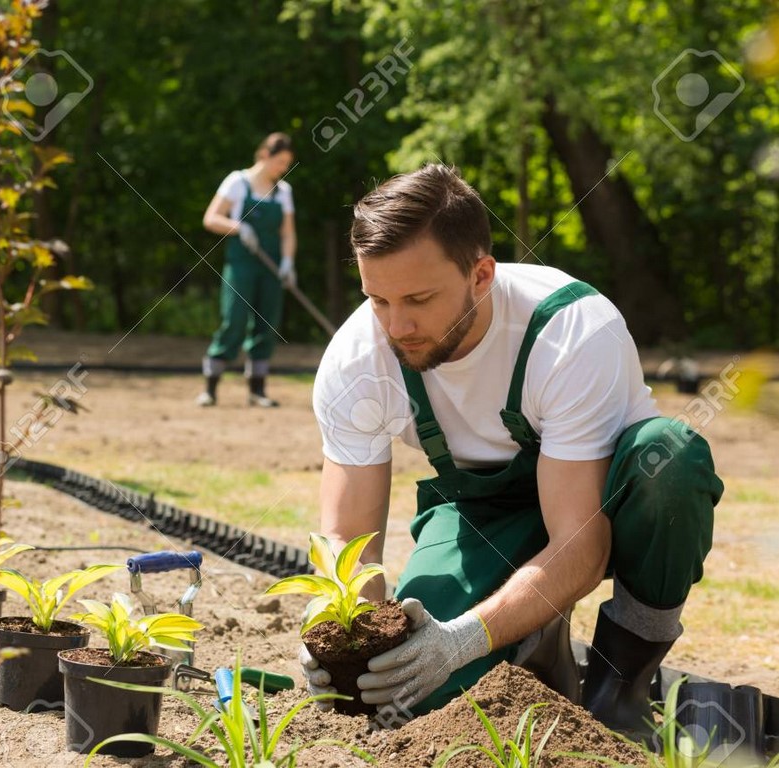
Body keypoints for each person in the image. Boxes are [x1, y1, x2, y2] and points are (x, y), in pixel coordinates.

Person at [304, 164, 722, 739]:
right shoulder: (357, 361)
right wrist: (338, 628)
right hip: (482, 515)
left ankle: (620, 686)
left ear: (481, 275)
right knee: (420, 692)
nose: (396, 326)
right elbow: (350, 543)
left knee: (669, 458)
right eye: (377, 299)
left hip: (605, 499)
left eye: (418, 299)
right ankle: (539, 651)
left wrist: (464, 639)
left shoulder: (571, 332)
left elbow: (580, 546)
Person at [198, 133, 298, 407]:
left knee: (267, 324)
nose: (283, 168)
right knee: (234, 320)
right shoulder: (237, 182)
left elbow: (288, 233)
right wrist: (239, 227)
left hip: (272, 268)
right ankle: (210, 388)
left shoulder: (283, 191)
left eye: (287, 164)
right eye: (280, 162)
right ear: (264, 155)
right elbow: (211, 218)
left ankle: (257, 390)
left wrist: (288, 263)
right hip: (241, 265)